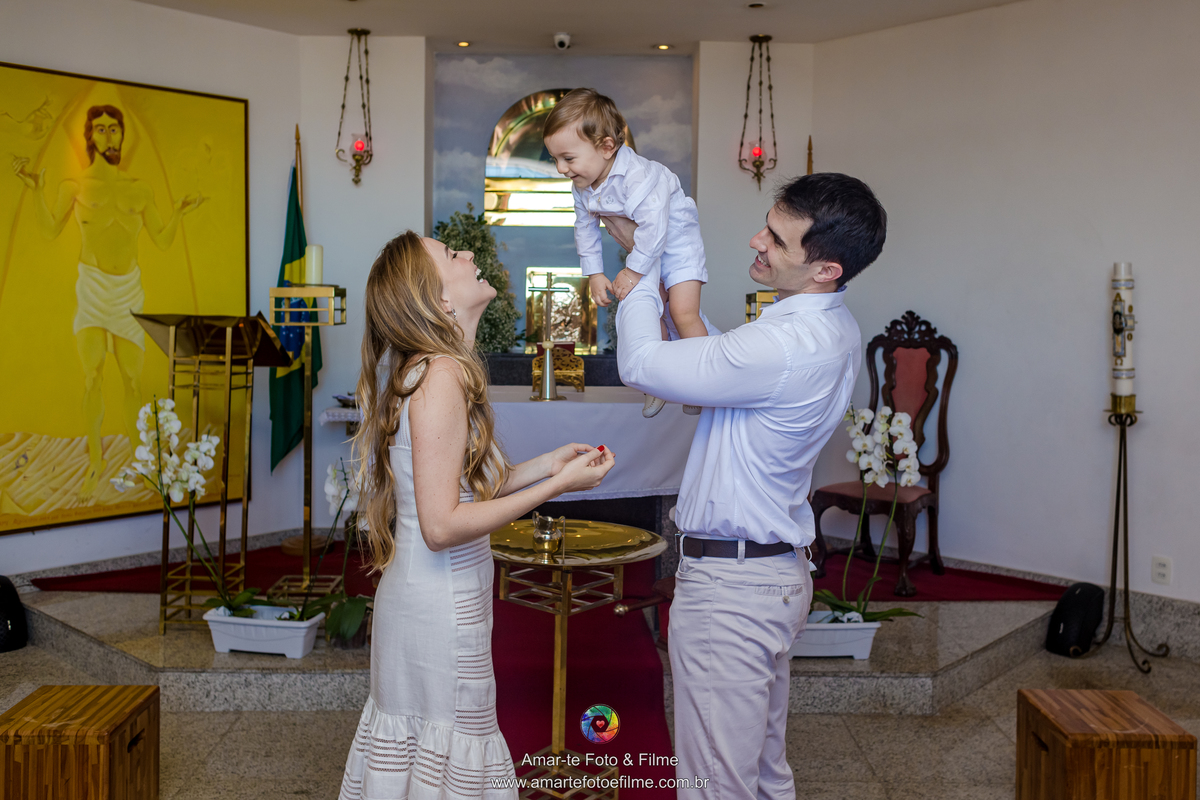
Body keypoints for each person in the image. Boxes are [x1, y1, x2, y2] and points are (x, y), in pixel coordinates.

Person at [609, 173, 887, 799]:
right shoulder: (826, 326)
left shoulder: (785, 344)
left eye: (778, 239)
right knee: (761, 775)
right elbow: (719, 360)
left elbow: (642, 365)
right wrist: (654, 275)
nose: (757, 239)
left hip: (733, 592)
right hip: (768, 575)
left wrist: (635, 274)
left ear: (825, 268)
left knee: (716, 786)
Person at [339, 231, 616, 800]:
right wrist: (559, 486)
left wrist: (546, 465)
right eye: (450, 254)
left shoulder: (435, 369)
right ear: (438, 299)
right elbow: (442, 526)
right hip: (437, 607)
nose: (467, 255)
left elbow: (461, 490)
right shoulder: (439, 374)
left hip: (430, 599)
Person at [11, 105, 204, 497]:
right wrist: (34, 191)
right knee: (93, 374)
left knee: (132, 379)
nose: (108, 135)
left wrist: (180, 213)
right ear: (90, 136)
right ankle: (96, 462)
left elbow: (162, 241)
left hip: (128, 291)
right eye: (100, 129)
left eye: (114, 129)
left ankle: (140, 458)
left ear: (121, 135)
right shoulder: (74, 186)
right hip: (92, 288)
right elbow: (49, 230)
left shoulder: (140, 189)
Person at [543, 88, 708, 417]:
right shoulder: (583, 185)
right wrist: (594, 273)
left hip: (678, 247)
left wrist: (632, 271)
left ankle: (702, 382)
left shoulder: (640, 176)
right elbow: (584, 228)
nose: (561, 168)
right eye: (555, 159)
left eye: (569, 158)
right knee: (654, 314)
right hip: (645, 251)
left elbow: (655, 227)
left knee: (683, 312)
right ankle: (657, 383)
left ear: (606, 147)